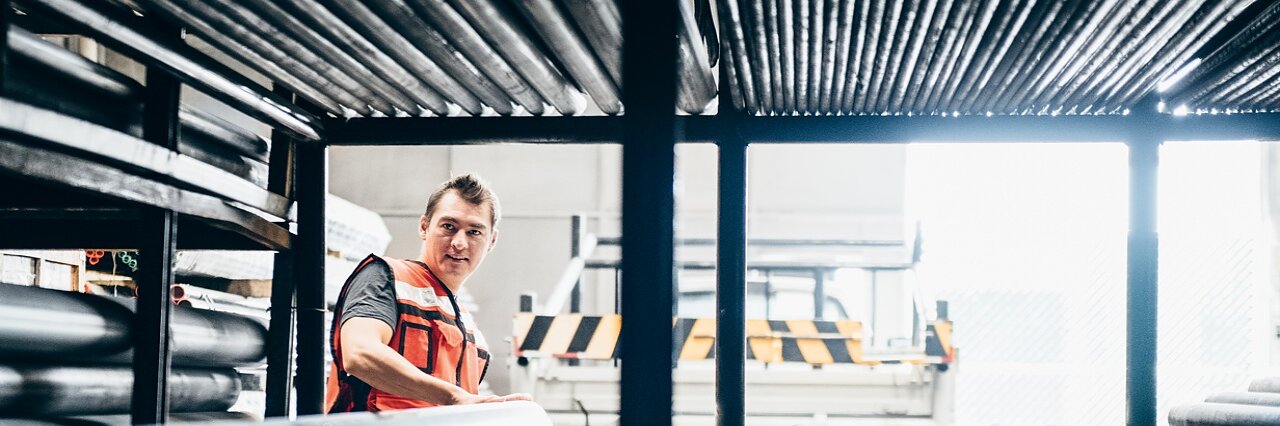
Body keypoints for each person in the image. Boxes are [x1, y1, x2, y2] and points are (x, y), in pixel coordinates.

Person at [325, 174, 530, 413]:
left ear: (492, 240)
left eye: (474, 232)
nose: (459, 243)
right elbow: (360, 354)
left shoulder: (468, 328)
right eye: (448, 226)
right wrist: (453, 397)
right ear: (424, 227)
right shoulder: (388, 278)